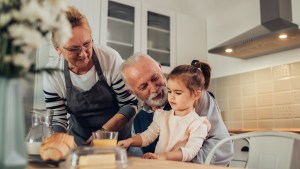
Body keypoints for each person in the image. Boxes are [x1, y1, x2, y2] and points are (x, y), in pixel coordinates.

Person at [43, 6, 138, 146]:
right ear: (57, 49)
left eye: (87, 44)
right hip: (79, 142)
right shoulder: (52, 74)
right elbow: (58, 119)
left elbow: (130, 104)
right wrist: (61, 145)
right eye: (73, 49)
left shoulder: (109, 59)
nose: (83, 54)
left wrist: (102, 133)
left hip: (119, 142)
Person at [120, 53, 233, 165]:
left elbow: (223, 148)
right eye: (144, 86)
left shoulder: (195, 100)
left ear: (160, 68)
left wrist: (171, 160)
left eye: (155, 78)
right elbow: (140, 156)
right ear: (132, 92)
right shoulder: (139, 120)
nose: (154, 89)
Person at [118, 64, 211, 162]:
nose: (171, 97)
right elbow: (147, 136)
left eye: (178, 93)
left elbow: (190, 151)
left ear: (196, 94)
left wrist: (163, 156)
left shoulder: (198, 123)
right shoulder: (162, 116)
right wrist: (130, 141)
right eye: (169, 91)